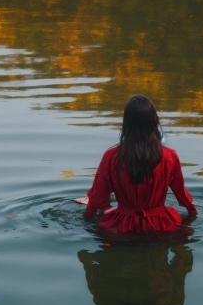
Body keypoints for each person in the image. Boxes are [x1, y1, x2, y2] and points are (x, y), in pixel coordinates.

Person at [76, 95, 196, 233]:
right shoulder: (170, 156)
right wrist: (192, 215)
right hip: (161, 227)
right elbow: (181, 194)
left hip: (121, 227)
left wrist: (89, 218)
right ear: (154, 122)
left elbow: (97, 197)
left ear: (126, 124)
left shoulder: (111, 157)